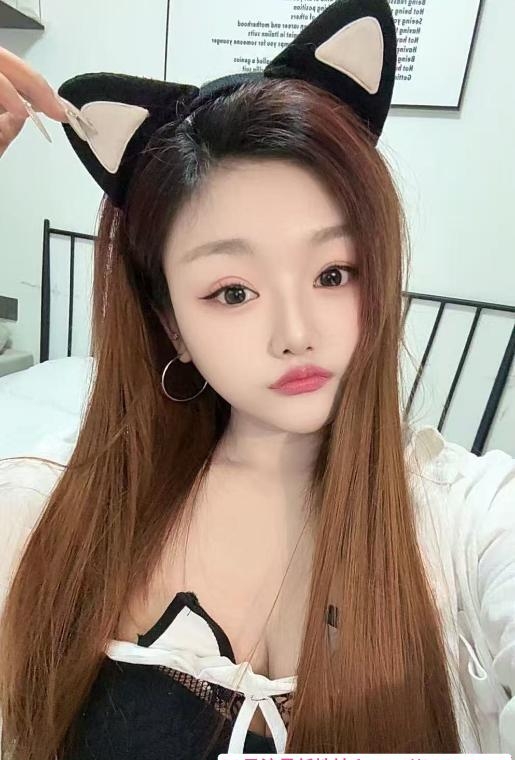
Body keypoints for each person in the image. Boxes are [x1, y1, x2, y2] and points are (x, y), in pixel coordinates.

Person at [0, 1, 514, 759]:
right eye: (233, 291)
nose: (296, 333)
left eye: (334, 273)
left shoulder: (467, 520)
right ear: (171, 322)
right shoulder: (47, 508)